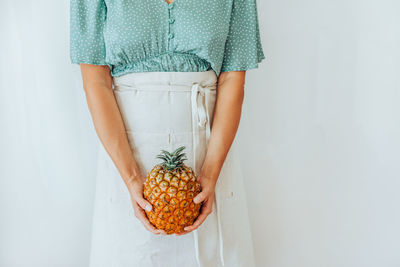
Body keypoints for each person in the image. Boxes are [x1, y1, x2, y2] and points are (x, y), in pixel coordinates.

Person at [70, 0, 265, 266]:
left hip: (209, 157)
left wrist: (209, 174)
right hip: (125, 158)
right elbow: (95, 81)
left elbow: (232, 78)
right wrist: (130, 177)